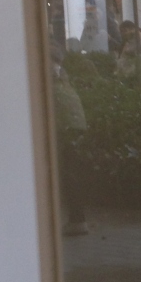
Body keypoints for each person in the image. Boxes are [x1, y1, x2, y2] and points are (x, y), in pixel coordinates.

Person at [51, 44, 88, 235]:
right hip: (75, 125)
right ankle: (78, 219)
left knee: (67, 174)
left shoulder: (48, 72)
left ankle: (77, 221)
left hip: (64, 126)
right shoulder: (61, 74)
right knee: (71, 172)